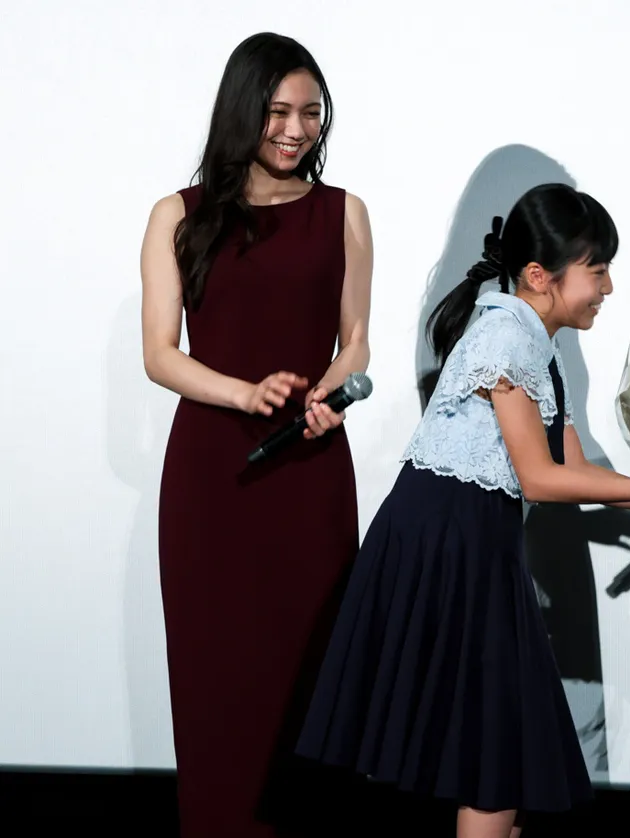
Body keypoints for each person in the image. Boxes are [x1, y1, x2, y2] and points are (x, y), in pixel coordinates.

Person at [295, 183, 630, 838]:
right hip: (448, 542)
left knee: (500, 760)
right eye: (598, 270)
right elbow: (542, 480)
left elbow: (574, 470)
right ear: (541, 276)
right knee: (496, 763)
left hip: (470, 540)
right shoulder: (505, 339)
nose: (608, 287)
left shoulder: (531, 339)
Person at [139, 32, 373, 837]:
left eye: (310, 113)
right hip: (213, 480)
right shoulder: (179, 214)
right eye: (278, 111)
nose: (296, 129)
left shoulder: (345, 213)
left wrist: (332, 395)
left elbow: (355, 343)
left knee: (312, 676)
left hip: (310, 474)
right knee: (217, 686)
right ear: (244, 111)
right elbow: (160, 356)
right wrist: (244, 392)